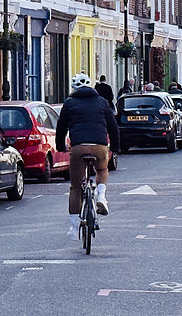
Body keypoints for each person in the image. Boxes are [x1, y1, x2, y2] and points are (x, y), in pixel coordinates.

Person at [56, 73, 120, 241]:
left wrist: (60, 146)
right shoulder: (102, 102)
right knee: (102, 169)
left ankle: (73, 227)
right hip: (99, 145)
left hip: (78, 146)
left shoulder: (69, 103)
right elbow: (113, 127)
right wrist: (115, 147)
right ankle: (102, 196)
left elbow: (61, 127)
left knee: (76, 187)